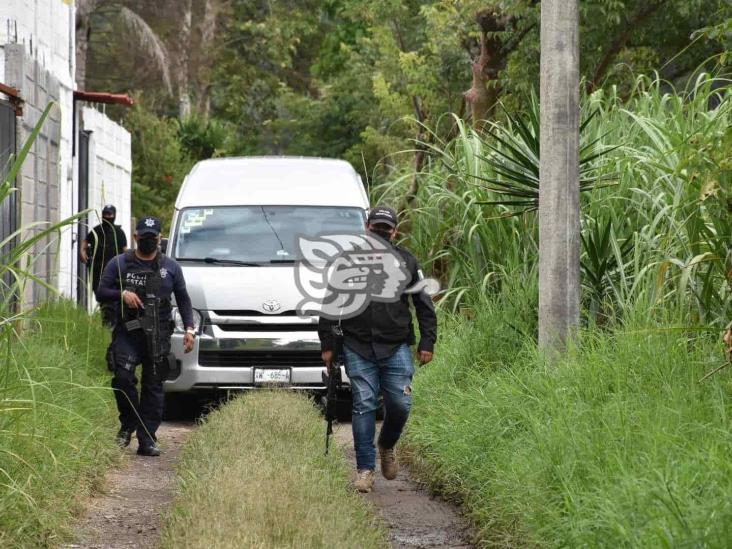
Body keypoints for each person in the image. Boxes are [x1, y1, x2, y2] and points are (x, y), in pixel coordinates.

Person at [318, 206, 437, 493]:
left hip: (396, 347)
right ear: (367, 228)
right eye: (377, 229)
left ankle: (386, 445)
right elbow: (331, 305)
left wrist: (427, 341)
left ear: (394, 232)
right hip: (357, 345)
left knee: (400, 405)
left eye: (387, 229)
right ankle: (365, 471)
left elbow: (424, 304)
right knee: (364, 405)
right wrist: (327, 347)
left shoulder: (407, 261)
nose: (381, 233)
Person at [96, 216, 196, 456]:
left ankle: (147, 439)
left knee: (153, 388)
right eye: (145, 237)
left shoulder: (171, 267)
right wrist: (122, 294)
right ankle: (128, 422)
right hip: (128, 333)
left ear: (159, 238)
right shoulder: (120, 263)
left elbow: (183, 298)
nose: (149, 241)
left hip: (158, 334)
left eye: (153, 238)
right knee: (122, 378)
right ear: (135, 237)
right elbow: (101, 291)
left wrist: (190, 329)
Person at [81, 205, 128, 326]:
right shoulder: (96, 231)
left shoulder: (119, 232)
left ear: (114, 215)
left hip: (115, 272)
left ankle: (111, 322)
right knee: (101, 296)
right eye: (105, 214)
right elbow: (85, 242)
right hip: (98, 271)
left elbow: (125, 251)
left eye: (110, 214)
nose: (107, 217)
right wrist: (82, 252)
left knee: (113, 299)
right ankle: (107, 321)